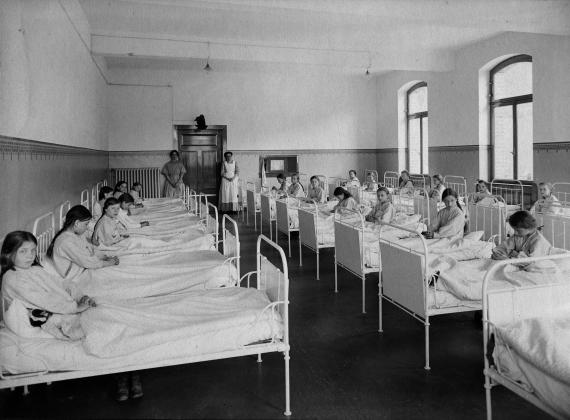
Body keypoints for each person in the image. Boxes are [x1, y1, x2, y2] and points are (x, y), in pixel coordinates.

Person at [1, 231, 96, 341]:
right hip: (29, 318)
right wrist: (74, 307)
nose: (30, 256)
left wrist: (78, 295)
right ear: (8, 254)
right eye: (23, 251)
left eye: (33, 250)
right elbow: (43, 299)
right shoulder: (12, 278)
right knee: (83, 325)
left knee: (73, 292)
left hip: (47, 305)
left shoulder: (33, 269)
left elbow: (55, 282)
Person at [47, 206, 119, 281]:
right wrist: (109, 263)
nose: (87, 227)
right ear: (77, 223)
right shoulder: (65, 242)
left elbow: (90, 249)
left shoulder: (77, 235)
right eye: (86, 224)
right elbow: (86, 261)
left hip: (83, 269)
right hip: (75, 276)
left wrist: (105, 257)